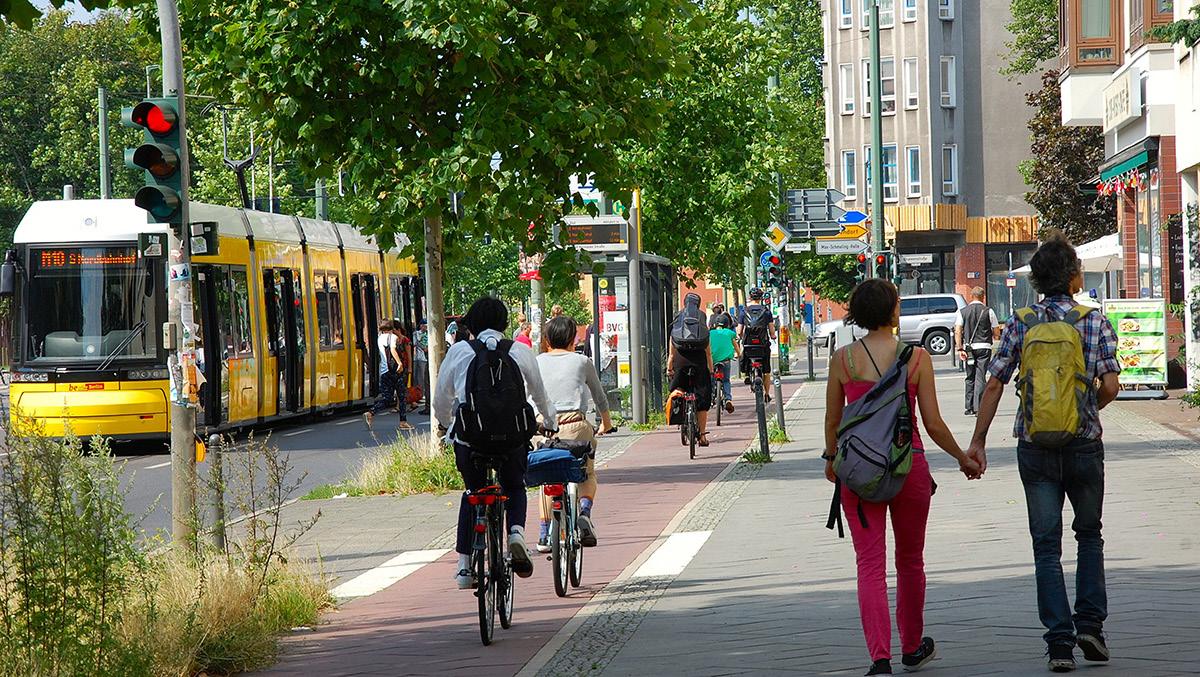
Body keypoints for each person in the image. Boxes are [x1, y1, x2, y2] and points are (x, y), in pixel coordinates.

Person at [967, 233, 1120, 673]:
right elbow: (1111, 385)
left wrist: (978, 442)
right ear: (1074, 277)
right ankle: (1090, 626)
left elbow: (994, 384)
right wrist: (1084, 411)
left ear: (1036, 280)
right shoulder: (1094, 321)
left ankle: (1059, 644)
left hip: (1034, 447)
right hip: (1083, 445)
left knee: (1046, 546)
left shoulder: (1021, 322)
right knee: (1089, 535)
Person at [824, 279, 981, 677]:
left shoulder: (842, 360)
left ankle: (880, 658)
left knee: (869, 565)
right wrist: (962, 457)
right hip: (909, 467)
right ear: (893, 311)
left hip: (859, 472)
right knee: (910, 561)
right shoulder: (917, 359)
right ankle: (911, 647)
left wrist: (831, 459)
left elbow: (832, 419)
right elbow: (933, 423)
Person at [434, 297, 557, 590]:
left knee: (472, 492)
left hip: (471, 439)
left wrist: (446, 424)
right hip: (512, 439)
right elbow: (540, 394)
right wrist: (550, 422)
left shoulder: (459, 351)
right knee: (514, 486)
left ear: (472, 324)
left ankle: (465, 566)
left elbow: (440, 399)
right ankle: (515, 533)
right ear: (504, 323)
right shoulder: (520, 351)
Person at [534, 315, 615, 552]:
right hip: (576, 426)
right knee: (587, 473)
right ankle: (584, 513)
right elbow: (599, 397)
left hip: (544, 429)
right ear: (572, 340)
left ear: (547, 340)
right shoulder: (582, 361)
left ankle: (544, 535)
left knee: (546, 476)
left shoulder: (536, 362)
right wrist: (606, 424)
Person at [667, 293, 714, 446]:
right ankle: (702, 436)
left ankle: (680, 411)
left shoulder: (679, 317)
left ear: (684, 303)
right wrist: (711, 370)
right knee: (703, 398)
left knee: (677, 387)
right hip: (699, 360)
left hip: (680, 359)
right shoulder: (701, 316)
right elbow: (707, 350)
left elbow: (672, 347)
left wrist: (670, 366)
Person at [955, 287, 1000, 415]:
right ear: (983, 297)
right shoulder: (988, 311)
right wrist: (994, 336)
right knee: (980, 376)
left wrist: (960, 348)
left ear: (971, 296)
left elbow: (958, 331)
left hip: (969, 348)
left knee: (970, 376)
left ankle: (968, 407)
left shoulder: (962, 311)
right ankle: (978, 407)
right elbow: (996, 330)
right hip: (984, 347)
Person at [364, 321, 412, 430]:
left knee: (387, 398)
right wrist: (399, 363)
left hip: (384, 372)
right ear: (391, 328)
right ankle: (403, 422)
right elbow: (393, 349)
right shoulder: (393, 337)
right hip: (395, 371)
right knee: (402, 396)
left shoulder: (379, 338)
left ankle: (371, 412)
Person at [739, 288, 776, 402]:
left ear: (750, 297)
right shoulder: (766, 311)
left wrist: (740, 337)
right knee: (766, 371)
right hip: (762, 344)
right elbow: (771, 330)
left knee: (743, 354)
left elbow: (739, 331)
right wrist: (773, 336)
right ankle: (767, 394)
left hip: (748, 344)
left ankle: (746, 374)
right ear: (761, 298)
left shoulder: (744, 311)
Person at [708, 314, 740, 413]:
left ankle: (711, 397)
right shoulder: (729, 333)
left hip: (713, 361)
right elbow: (735, 345)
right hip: (725, 361)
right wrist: (739, 354)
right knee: (726, 380)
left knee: (711, 379)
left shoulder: (710, 333)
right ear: (727, 324)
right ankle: (728, 399)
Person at [412, 319, 430, 415]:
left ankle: (421, 394)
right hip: (416, 357)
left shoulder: (428, 334)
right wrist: (423, 347)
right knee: (416, 377)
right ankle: (417, 395)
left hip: (424, 358)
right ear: (421, 326)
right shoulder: (416, 334)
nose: (425, 327)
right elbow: (415, 343)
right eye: (424, 325)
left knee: (422, 378)